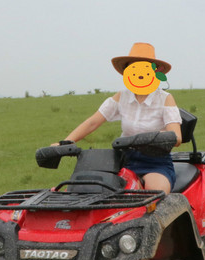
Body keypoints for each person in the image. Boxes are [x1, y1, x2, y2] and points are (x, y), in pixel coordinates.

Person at [55, 43, 182, 194]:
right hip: (123, 160)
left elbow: (177, 137)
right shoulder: (122, 96)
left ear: (155, 71)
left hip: (155, 162)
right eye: (134, 67)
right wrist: (64, 143)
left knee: (155, 195)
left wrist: (148, 138)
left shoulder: (165, 98)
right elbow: (92, 122)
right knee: (95, 191)